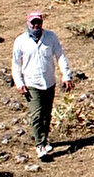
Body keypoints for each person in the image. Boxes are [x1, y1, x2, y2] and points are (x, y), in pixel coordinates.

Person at [11, 10, 72, 160]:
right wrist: (19, 82)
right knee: (37, 114)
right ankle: (40, 145)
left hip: (49, 82)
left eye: (38, 22)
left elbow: (60, 56)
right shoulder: (20, 41)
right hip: (32, 83)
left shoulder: (50, 37)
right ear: (28, 23)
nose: (36, 25)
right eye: (33, 23)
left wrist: (66, 75)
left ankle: (44, 140)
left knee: (46, 114)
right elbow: (16, 64)